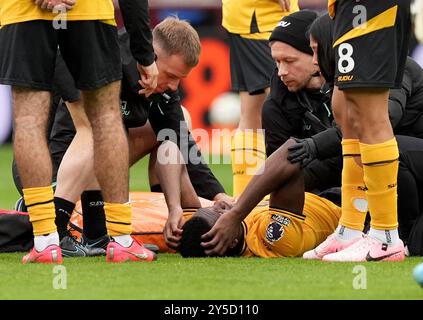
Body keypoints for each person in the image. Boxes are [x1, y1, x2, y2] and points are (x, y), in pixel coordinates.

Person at [12, 17, 230, 257]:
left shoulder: (160, 86)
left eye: (180, 79)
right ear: (151, 56)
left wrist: (218, 194)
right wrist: (55, 197)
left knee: (178, 122)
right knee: (103, 127)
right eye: (171, 75)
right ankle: (55, 220)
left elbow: (179, 138)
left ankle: (157, 216)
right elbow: (64, 137)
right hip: (50, 169)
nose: (174, 86)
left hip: (92, 164)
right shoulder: (104, 62)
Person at [0, 0, 158, 264]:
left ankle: (45, 241)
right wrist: (144, 52)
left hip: (23, 11)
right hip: (89, 11)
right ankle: (120, 240)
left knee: (28, 119)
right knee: (106, 118)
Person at [299, 1, 412, 262]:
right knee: (345, 107)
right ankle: (350, 228)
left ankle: (385, 236)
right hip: (347, 7)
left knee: (368, 110)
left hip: (369, 5)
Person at [156, 140, 340, 258]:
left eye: (210, 207)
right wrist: (236, 213)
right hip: (338, 199)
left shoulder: (199, 231)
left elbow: (169, 149)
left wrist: (174, 208)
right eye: (220, 212)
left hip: (306, 189)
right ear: (232, 241)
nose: (218, 203)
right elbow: (291, 152)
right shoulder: (273, 237)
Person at [222, 0, 300, 197]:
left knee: (255, 109)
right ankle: (248, 200)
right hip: (257, 20)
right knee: (278, 105)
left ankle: (245, 201)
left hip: (277, 16)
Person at [261, 10, 342, 192]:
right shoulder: (275, 105)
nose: (281, 71)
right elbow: (282, 177)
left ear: (316, 53)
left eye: (289, 61)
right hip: (316, 196)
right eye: (277, 61)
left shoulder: (349, 83)